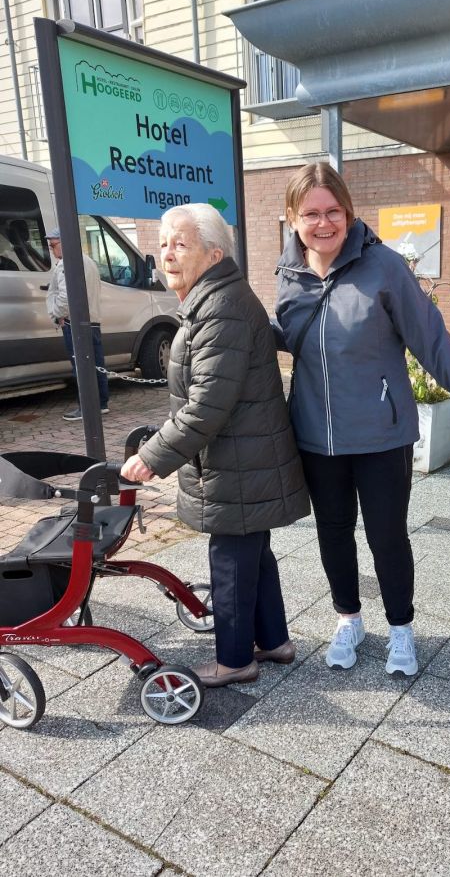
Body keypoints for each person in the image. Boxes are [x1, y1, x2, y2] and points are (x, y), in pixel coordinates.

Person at [275, 162, 450, 677]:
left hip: (380, 434)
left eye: (334, 211)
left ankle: (401, 627)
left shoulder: (384, 267)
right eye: (311, 214)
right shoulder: (288, 273)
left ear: (349, 212)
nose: (324, 223)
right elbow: (296, 338)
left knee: (386, 536)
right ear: (292, 217)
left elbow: (431, 340)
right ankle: (348, 619)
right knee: (333, 532)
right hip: (317, 436)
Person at [121, 203, 310, 688]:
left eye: (180, 244)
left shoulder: (220, 307)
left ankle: (235, 660)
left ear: (213, 254)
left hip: (239, 464)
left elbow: (207, 405)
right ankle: (274, 641)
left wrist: (151, 456)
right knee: (253, 554)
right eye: (163, 244)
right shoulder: (214, 300)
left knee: (230, 562)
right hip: (245, 459)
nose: (167, 254)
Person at [45, 227, 109, 420]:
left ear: (65, 242)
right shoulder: (88, 261)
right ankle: (101, 404)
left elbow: (65, 296)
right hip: (92, 320)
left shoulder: (67, 264)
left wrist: (58, 314)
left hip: (74, 322)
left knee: (81, 367)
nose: (51, 249)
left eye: (53, 245)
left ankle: (87, 408)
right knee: (96, 364)